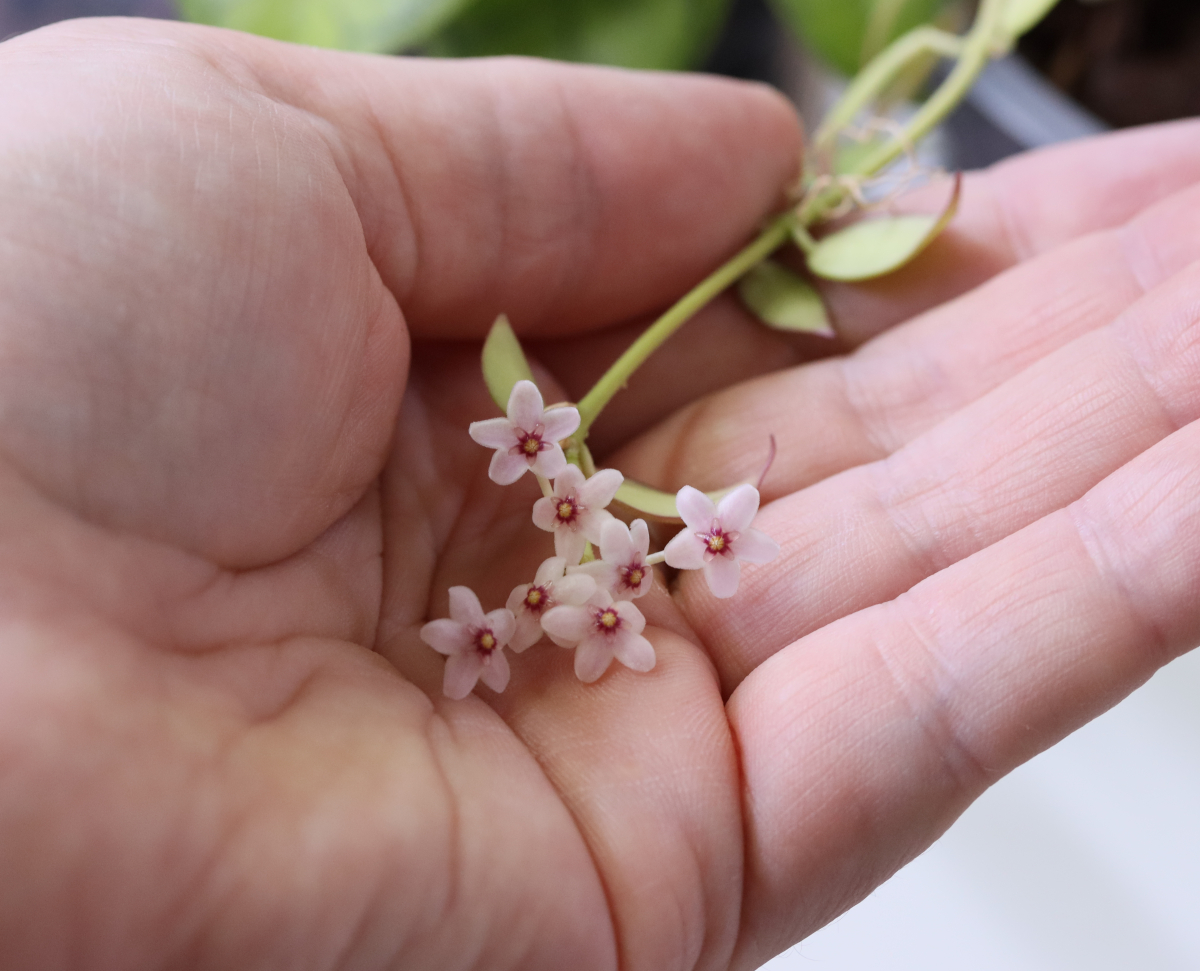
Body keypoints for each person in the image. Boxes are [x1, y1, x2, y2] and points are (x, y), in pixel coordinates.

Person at [0, 15, 1197, 971]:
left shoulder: (586, 510)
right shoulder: (573, 535)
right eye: (613, 568)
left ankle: (966, 48)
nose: (612, 572)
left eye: (613, 566)